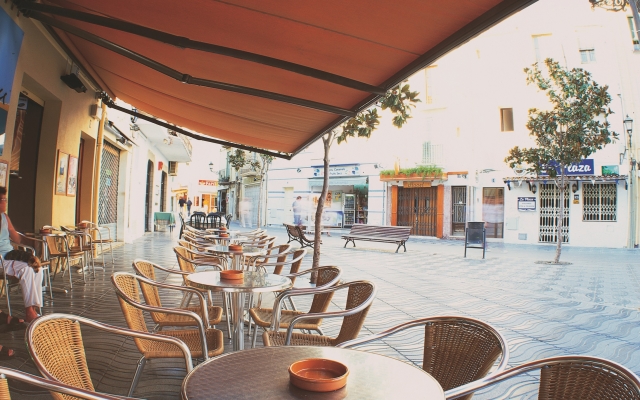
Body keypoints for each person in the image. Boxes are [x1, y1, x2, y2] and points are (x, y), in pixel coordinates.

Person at [0, 187, 43, 322]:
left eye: (5, 199)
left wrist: (31, 242)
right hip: (1, 259)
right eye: (2, 200)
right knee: (26, 270)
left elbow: (16, 237)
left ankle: (34, 309)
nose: (5, 202)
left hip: (9, 255)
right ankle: (29, 311)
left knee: (37, 268)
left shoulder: (5, 217)